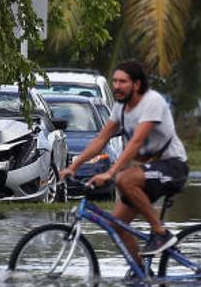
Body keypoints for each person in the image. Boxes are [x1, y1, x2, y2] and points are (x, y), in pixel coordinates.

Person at [59, 60, 189, 268]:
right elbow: (101, 140)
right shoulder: (120, 108)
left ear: (136, 85)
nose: (117, 86)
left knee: (123, 179)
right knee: (116, 225)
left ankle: (160, 232)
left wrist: (110, 173)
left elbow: (136, 141)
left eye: (123, 82)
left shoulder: (152, 101)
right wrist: (73, 166)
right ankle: (140, 273)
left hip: (173, 167)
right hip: (150, 171)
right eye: (115, 81)